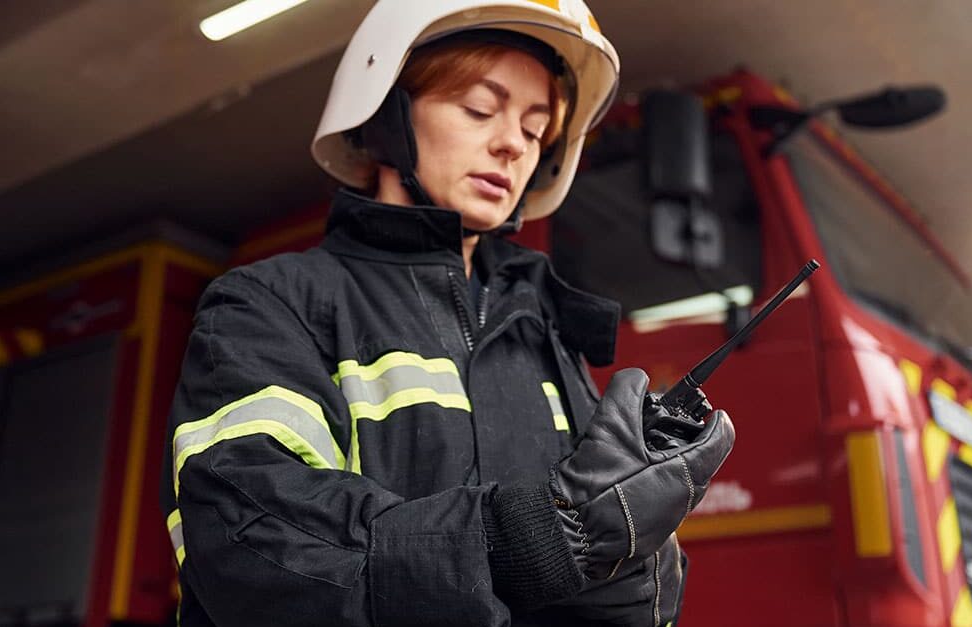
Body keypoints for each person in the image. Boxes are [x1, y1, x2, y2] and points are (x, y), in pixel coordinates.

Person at [159, 1, 735, 625]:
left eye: (536, 130)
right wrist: (530, 540)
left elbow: (606, 577)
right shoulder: (270, 304)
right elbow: (255, 543)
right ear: (386, 117)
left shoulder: (543, 332)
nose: (513, 144)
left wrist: (640, 558)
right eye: (480, 109)